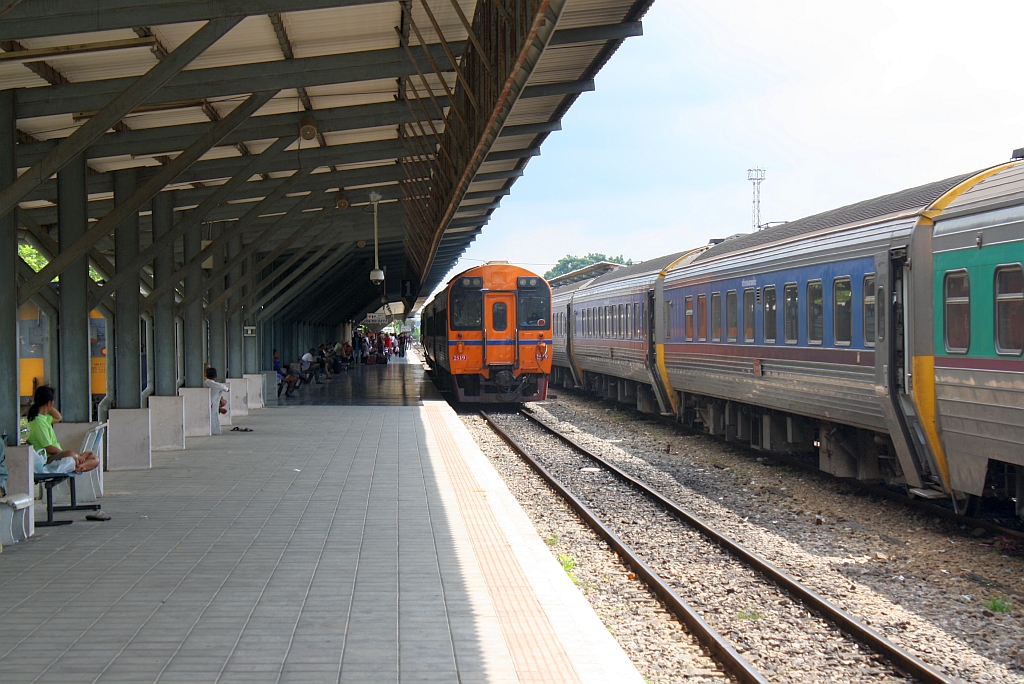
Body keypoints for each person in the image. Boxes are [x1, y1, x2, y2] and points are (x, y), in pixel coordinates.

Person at [24, 386, 99, 473]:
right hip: (47, 459)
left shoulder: (43, 418)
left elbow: (58, 417)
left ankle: (79, 465)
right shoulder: (38, 423)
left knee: (95, 459)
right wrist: (70, 455)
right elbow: (50, 449)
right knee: (71, 454)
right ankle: (77, 461)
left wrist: (49, 406)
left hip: (55, 456)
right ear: (49, 403)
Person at [204, 367, 230, 435]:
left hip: (205, 403)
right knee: (223, 402)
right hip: (212, 404)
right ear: (216, 376)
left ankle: (219, 408)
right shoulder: (216, 384)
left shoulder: (204, 382)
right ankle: (219, 408)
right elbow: (226, 389)